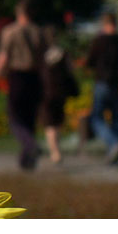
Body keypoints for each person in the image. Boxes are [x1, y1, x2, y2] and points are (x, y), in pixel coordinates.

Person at [0, 0, 47, 170]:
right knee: (29, 119)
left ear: (18, 13)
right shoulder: (39, 32)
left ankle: (30, 147)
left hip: (17, 77)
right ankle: (27, 161)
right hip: (34, 77)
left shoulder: (10, 32)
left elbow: (3, 58)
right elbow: (43, 60)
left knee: (15, 118)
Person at [86, 13, 118, 163]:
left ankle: (114, 144)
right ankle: (115, 151)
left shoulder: (99, 41)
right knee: (116, 118)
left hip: (102, 83)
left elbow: (90, 61)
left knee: (97, 118)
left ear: (104, 25)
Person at [39, 32, 80, 165]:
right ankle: (57, 151)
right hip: (60, 91)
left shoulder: (41, 54)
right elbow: (70, 71)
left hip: (46, 92)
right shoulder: (63, 53)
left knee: (49, 123)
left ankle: (55, 152)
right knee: (57, 121)